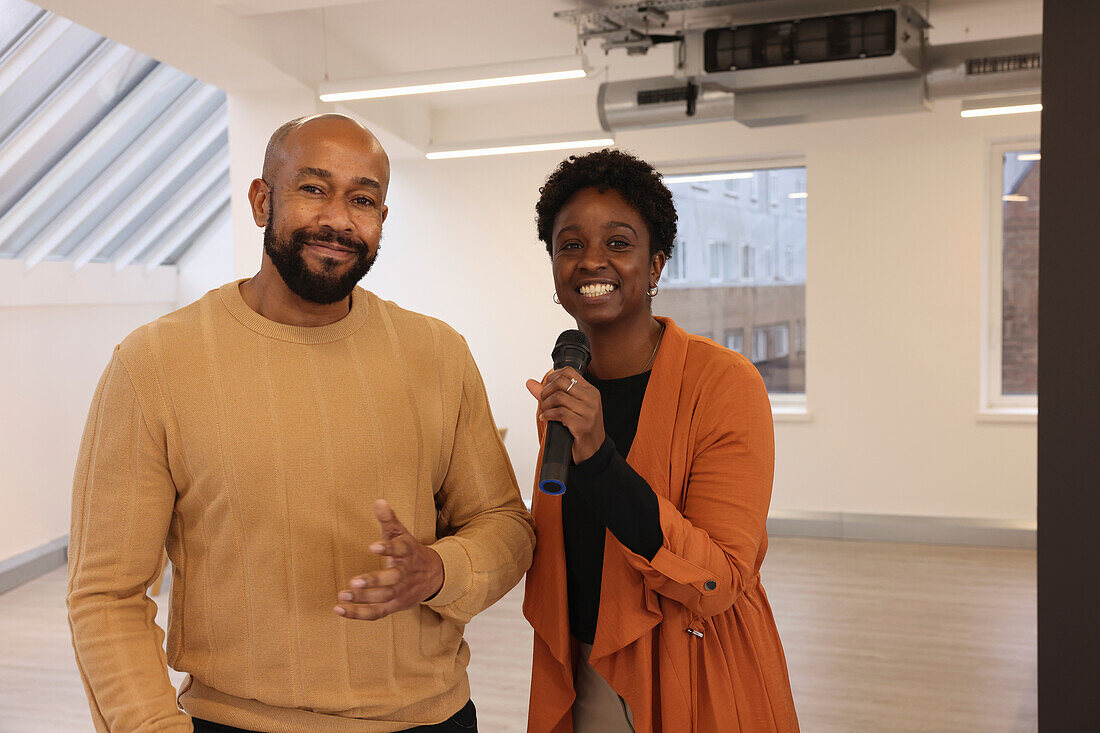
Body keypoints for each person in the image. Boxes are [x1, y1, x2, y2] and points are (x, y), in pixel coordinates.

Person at [67, 113, 535, 733]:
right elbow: (106, 595)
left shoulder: (437, 352)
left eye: (362, 199)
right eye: (313, 189)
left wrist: (440, 570)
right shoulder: (153, 365)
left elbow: (505, 524)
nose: (339, 220)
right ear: (263, 200)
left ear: (381, 221)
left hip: (433, 719)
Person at [522, 149, 798, 732]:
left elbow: (718, 577)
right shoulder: (565, 392)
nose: (592, 260)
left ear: (656, 265)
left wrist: (598, 457)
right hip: (580, 668)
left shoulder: (724, 383)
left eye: (619, 243)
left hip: (693, 669)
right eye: (570, 245)